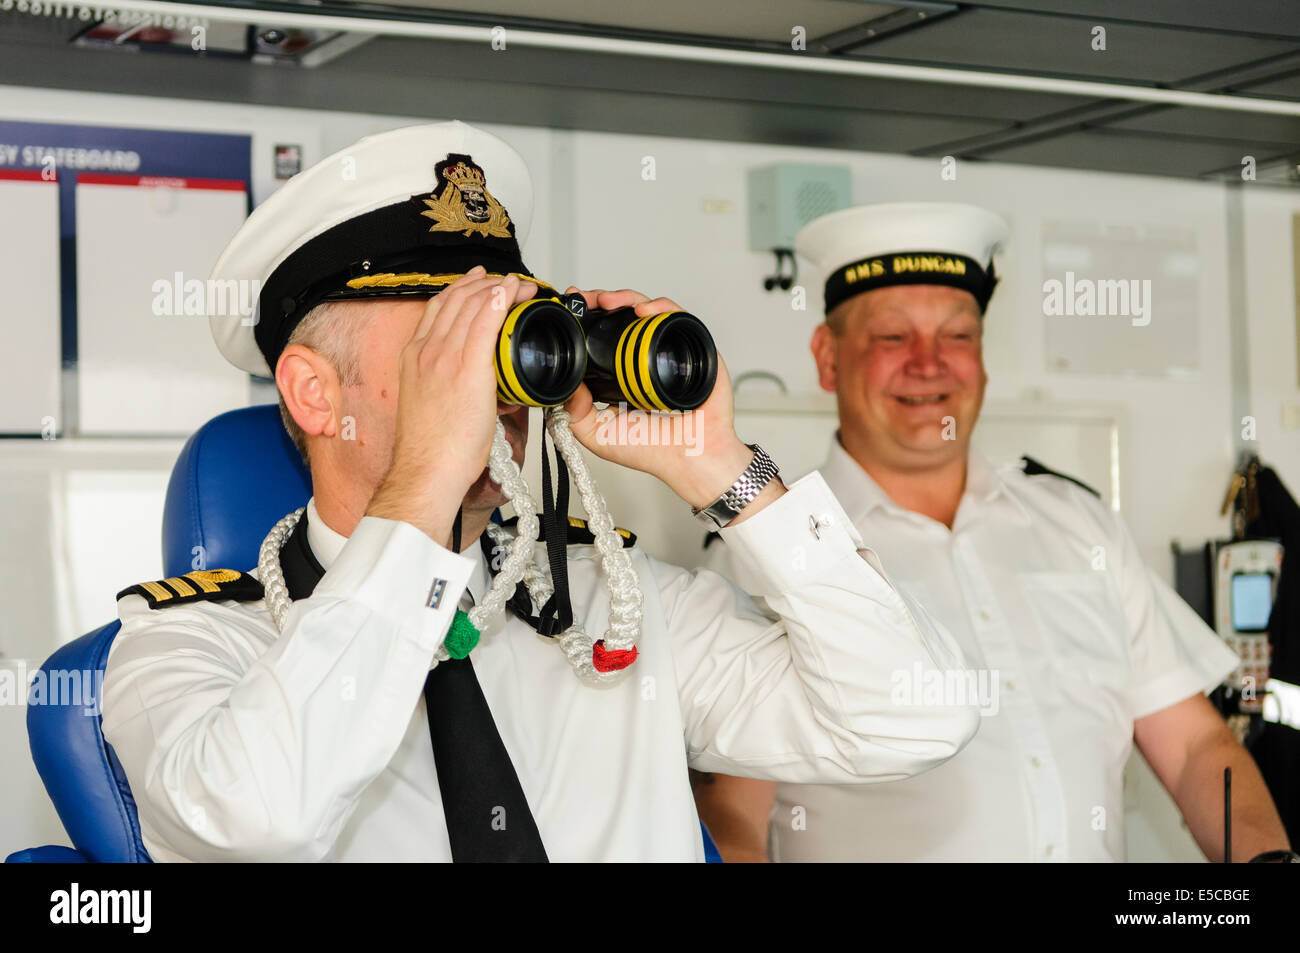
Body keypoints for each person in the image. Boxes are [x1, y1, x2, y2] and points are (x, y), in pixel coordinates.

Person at [99, 123, 979, 863]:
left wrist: (721, 469)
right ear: (313, 393)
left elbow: (915, 716)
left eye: (512, 337)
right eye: (447, 347)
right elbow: (259, 815)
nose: (501, 391)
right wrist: (423, 493)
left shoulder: (617, 612)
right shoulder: (186, 651)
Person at [694, 201, 1294, 863]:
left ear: (983, 358)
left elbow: (1193, 749)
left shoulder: (1081, 524)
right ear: (828, 357)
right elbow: (732, 812)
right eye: (893, 337)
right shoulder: (768, 552)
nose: (929, 363)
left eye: (956, 335)